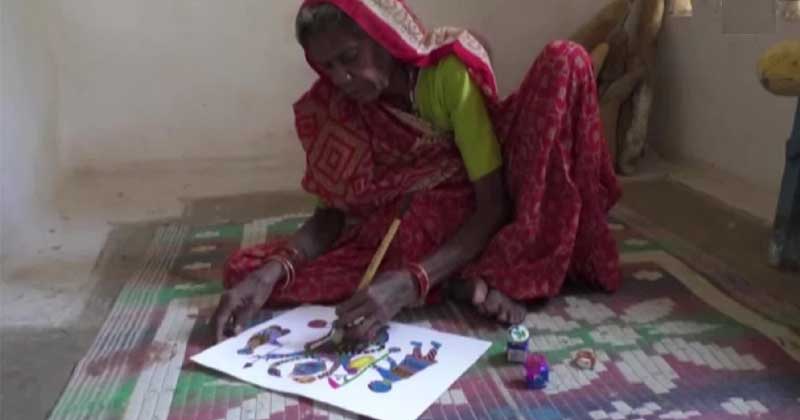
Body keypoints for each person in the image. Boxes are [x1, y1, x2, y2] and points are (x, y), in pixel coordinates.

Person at [212, 0, 622, 343]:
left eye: (349, 57)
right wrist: (270, 275)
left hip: (495, 202)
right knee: (248, 277)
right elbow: (331, 217)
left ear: (383, 36)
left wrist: (412, 282)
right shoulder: (336, 108)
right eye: (328, 66)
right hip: (408, 224)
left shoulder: (444, 75)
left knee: (565, 60)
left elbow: (492, 205)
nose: (342, 78)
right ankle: (467, 278)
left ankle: (487, 271)